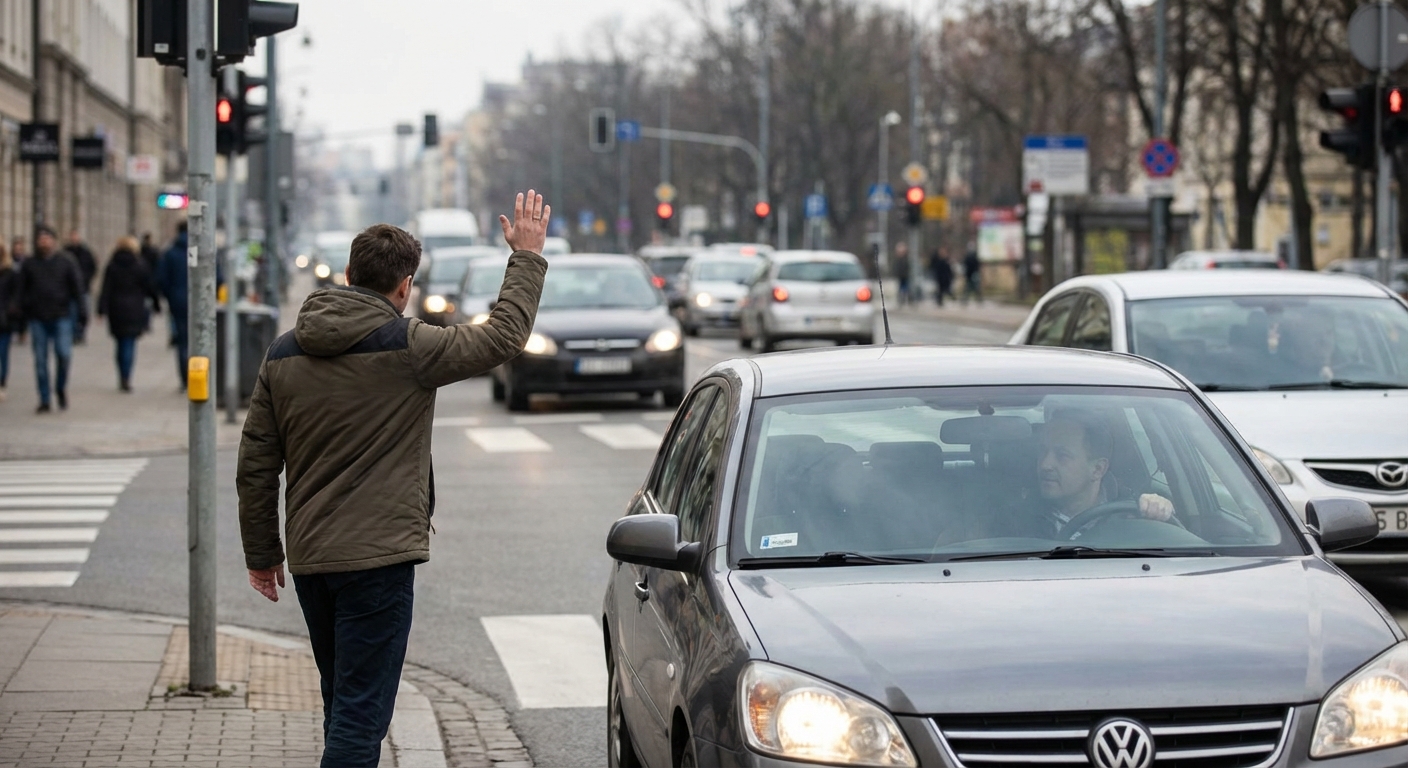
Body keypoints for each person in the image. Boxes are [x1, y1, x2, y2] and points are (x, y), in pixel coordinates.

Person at [237, 192, 551, 768]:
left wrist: (263, 552)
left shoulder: (282, 354)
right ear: (404, 285)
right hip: (377, 563)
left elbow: (257, 460)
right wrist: (526, 258)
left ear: (350, 275)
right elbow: (504, 337)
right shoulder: (410, 347)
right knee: (359, 719)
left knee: (343, 705)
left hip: (311, 562)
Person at [997, 408, 1174, 539]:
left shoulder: (1132, 514)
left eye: (1062, 455)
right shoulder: (1012, 519)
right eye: (1043, 452)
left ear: (1097, 469)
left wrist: (1159, 512)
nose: (1045, 464)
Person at [16, 226, 86, 412]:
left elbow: (77, 288)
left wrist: (82, 312)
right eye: (41, 238)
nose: (44, 241)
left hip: (61, 315)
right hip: (37, 318)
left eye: (47, 238)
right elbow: (21, 293)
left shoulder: (65, 262)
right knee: (40, 360)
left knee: (63, 355)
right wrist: (20, 318)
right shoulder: (29, 264)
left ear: (54, 241)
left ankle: (60, 388)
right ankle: (45, 398)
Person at [97, 236, 161, 392]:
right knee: (129, 343)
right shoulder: (140, 265)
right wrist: (156, 304)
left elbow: (105, 289)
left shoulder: (112, 266)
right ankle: (126, 375)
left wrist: (101, 309)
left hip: (116, 308)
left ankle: (121, 373)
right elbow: (149, 287)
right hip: (134, 308)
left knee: (119, 343)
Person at [156, 222, 189, 386]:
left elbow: (162, 279)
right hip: (203, 304)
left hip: (177, 302)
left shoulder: (170, 253)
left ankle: (184, 378)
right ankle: (200, 376)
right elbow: (218, 278)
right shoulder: (206, 249)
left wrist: (169, 296)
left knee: (183, 341)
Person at [66, 230, 97, 343]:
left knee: (84, 312)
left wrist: (86, 279)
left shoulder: (86, 252)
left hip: (84, 288)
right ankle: (74, 333)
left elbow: (93, 267)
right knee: (72, 312)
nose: (74, 238)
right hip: (69, 290)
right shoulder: (66, 251)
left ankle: (81, 332)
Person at [0, 243, 18, 401]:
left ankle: (1, 383)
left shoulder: (10, 273)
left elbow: (16, 296)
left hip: (4, 320)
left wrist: (10, 311)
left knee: (3, 353)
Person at [893, 242, 911, 306]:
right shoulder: (899, 260)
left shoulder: (905, 260)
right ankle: (902, 300)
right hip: (901, 276)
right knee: (901, 288)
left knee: (905, 288)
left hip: (905, 276)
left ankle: (906, 300)